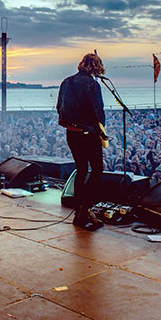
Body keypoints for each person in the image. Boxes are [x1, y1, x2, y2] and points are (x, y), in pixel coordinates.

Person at [57, 51, 107, 231]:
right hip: (88, 133)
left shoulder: (66, 82)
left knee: (81, 169)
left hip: (71, 133)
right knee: (97, 170)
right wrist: (101, 130)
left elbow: (59, 107)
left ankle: (80, 211)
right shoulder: (92, 85)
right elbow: (97, 111)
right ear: (96, 66)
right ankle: (85, 208)